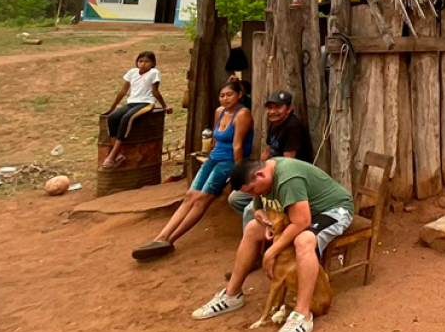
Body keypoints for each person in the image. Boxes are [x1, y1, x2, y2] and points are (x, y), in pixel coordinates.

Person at [192, 157, 354, 332]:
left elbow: (301, 222)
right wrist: (264, 219)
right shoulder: (262, 177)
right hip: (303, 212)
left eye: (252, 190)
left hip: (334, 210)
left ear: (260, 175)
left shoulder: (287, 178)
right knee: (252, 228)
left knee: (303, 241)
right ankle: (231, 295)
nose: (252, 194)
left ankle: (302, 315)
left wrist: (270, 252)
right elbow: (258, 209)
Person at [132, 82, 252, 261]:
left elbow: (237, 145)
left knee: (202, 199)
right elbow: (215, 139)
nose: (225, 99)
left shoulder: (242, 114)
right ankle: (160, 238)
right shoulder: (220, 111)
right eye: (222, 95)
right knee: (190, 195)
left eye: (229, 95)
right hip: (213, 158)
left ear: (239, 95)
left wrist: (238, 172)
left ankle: (171, 239)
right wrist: (209, 155)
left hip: (227, 162)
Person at [229, 90, 313, 224]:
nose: (272, 111)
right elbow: (267, 151)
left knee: (249, 211)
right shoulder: (275, 124)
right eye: (270, 107)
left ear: (290, 108)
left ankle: (260, 232)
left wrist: (264, 185)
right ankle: (269, 224)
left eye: (278, 107)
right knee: (235, 199)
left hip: (282, 179)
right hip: (267, 173)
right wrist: (251, 172)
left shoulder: (292, 127)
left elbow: (288, 163)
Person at [102, 51, 171, 169]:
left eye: (147, 62)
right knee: (113, 118)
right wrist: (112, 107)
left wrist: (164, 106)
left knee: (127, 118)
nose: (143, 64)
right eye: (140, 61)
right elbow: (123, 91)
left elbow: (155, 91)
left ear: (153, 63)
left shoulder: (154, 73)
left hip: (146, 103)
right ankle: (118, 154)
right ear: (137, 62)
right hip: (131, 102)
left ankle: (112, 155)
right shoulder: (132, 72)